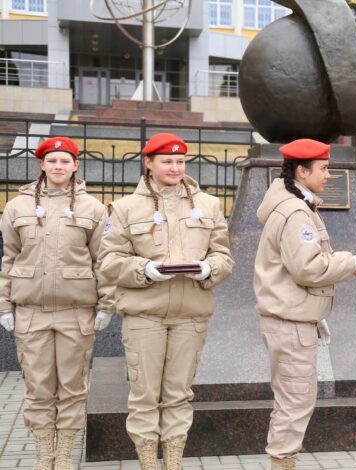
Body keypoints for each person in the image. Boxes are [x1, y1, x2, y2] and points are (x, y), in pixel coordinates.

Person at [98, 133, 233, 470]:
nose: (175, 167)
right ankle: (148, 463)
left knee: (178, 394)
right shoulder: (125, 208)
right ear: (149, 163)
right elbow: (109, 262)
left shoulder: (208, 205)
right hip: (145, 315)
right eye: (167, 161)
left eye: (180, 161)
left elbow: (223, 256)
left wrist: (209, 268)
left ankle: (173, 463)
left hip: (191, 315)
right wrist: (144, 269)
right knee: (144, 396)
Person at [252, 138, 356, 470]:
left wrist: (348, 261)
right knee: (295, 402)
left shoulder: (296, 205)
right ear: (302, 171)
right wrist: (350, 262)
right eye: (323, 168)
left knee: (293, 399)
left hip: (292, 321)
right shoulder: (295, 212)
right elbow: (309, 268)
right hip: (290, 324)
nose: (329, 175)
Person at [0, 137, 114, 470]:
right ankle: (42, 455)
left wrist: (106, 304)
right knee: (38, 388)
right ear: (42, 165)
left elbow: (102, 261)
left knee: (72, 387)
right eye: (52, 161)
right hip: (30, 314)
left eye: (65, 161)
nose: (58, 166)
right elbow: (9, 259)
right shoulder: (17, 207)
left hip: (75, 314)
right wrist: (4, 306)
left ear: (76, 165)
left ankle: (63, 454)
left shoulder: (92, 208)